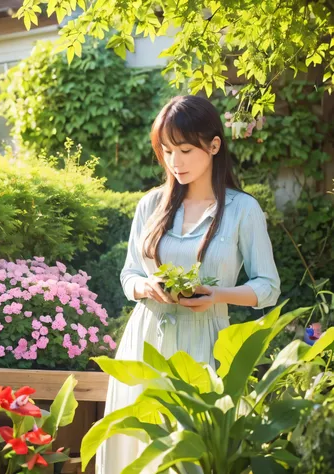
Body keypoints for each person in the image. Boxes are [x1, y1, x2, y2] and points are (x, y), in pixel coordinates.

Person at [95, 95, 281, 474]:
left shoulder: (243, 210)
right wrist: (148, 287)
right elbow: (129, 274)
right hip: (145, 340)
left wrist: (218, 296)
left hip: (205, 341)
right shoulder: (150, 205)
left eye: (184, 150)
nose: (174, 162)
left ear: (214, 145)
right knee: (138, 449)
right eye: (165, 151)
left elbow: (268, 286)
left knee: (193, 455)